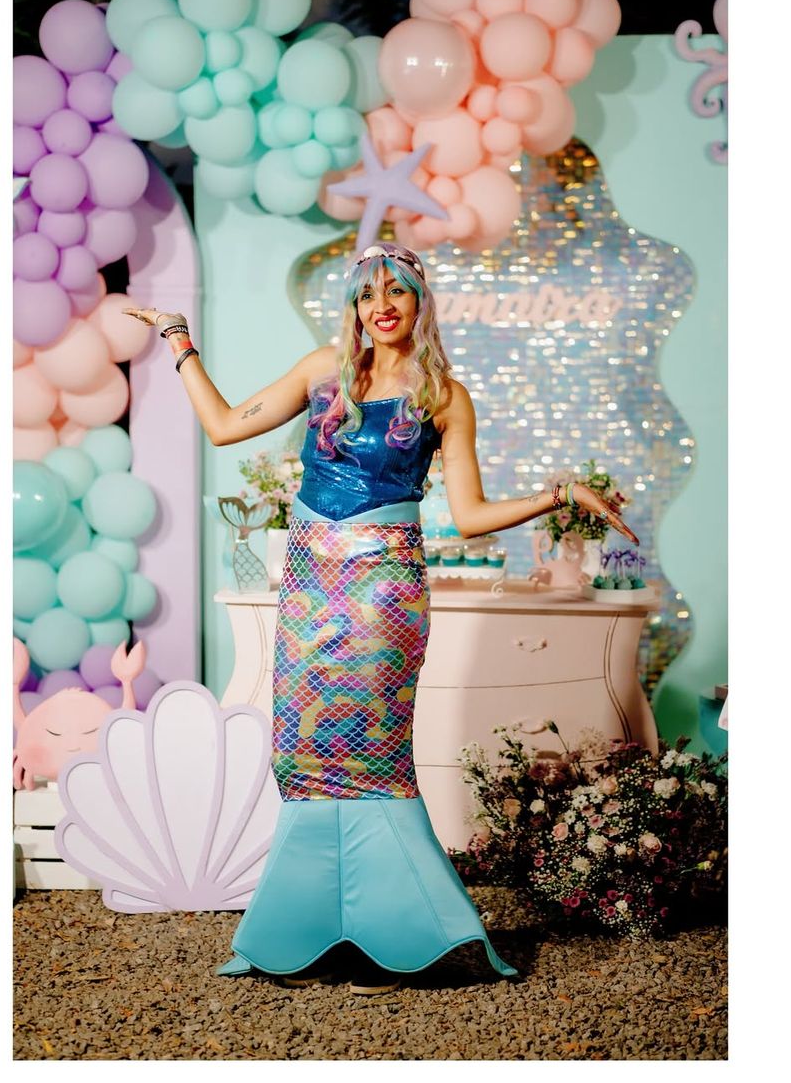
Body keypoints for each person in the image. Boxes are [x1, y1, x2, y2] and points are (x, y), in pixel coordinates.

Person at [124, 241, 638, 996]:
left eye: (396, 290)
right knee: (302, 749)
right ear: (354, 307)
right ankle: (311, 932)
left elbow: (469, 515)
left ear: (418, 301)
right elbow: (226, 426)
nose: (381, 305)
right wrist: (179, 339)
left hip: (384, 591)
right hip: (311, 582)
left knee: (371, 752)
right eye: (368, 294)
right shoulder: (321, 373)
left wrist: (558, 493)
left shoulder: (444, 396)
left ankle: (393, 935)